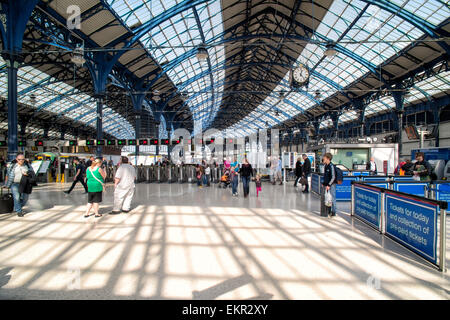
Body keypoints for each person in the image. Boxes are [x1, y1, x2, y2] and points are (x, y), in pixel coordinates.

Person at [322, 153, 337, 217]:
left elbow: (333, 177)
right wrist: (324, 183)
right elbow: (326, 176)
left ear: (328, 158)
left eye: (324, 158)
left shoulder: (331, 166)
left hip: (332, 185)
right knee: (328, 198)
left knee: (332, 198)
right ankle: (329, 211)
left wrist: (329, 185)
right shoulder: (326, 166)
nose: (323, 159)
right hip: (327, 185)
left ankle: (334, 212)